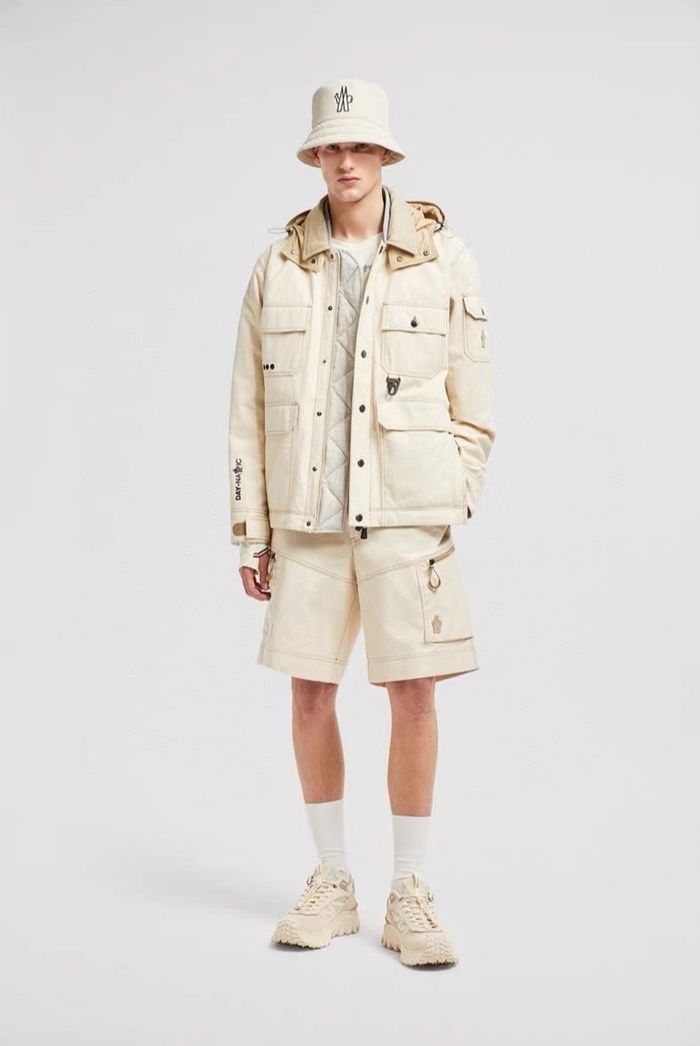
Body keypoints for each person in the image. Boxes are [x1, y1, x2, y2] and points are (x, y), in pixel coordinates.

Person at [227, 79, 496, 967]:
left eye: (361, 146)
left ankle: (409, 890)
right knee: (310, 693)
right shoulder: (277, 266)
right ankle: (333, 880)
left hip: (407, 518)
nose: (346, 161)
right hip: (306, 523)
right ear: (315, 157)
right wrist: (252, 526)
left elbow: (474, 396)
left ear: (384, 155)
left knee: (413, 693)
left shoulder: (442, 258)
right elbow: (245, 407)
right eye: (332, 147)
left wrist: (452, 490)